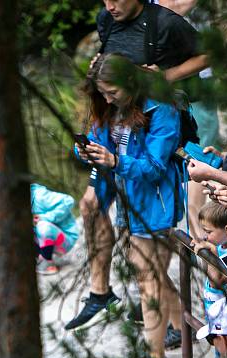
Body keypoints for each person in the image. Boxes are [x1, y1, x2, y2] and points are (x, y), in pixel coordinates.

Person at [66, 0, 208, 331]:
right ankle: (101, 292)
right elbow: (107, 62)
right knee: (90, 205)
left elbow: (210, 54)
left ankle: (167, 320)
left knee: (147, 252)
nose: (110, 5)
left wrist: (166, 78)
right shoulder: (106, 20)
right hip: (118, 125)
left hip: (146, 125)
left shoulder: (166, 23)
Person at [74, 54, 183, 358]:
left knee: (148, 279)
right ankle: (180, 328)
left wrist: (115, 162)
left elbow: (154, 167)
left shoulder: (161, 108)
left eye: (112, 93)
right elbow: (99, 142)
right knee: (155, 277)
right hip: (129, 203)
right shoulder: (112, 106)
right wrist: (84, 152)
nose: (107, 99)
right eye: (103, 94)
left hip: (156, 206)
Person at [31, 183, 79, 275]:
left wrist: (44, 217)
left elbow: (69, 201)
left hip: (66, 239)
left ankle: (47, 263)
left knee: (43, 226)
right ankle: (39, 258)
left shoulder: (39, 195)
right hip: (48, 240)